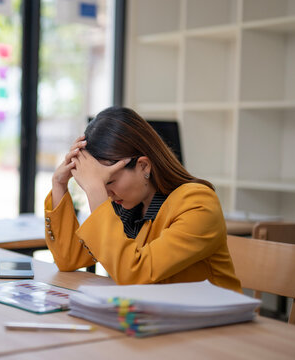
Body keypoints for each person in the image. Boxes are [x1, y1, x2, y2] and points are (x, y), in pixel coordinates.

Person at [44, 106, 242, 292]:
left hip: (213, 324)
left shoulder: (198, 203)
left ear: (144, 166)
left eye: (109, 181)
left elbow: (135, 274)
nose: (107, 193)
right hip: (161, 318)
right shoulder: (128, 206)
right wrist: (59, 184)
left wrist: (95, 189)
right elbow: (68, 258)